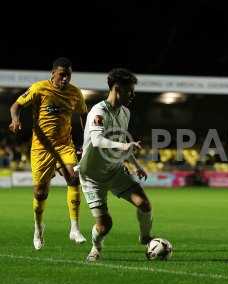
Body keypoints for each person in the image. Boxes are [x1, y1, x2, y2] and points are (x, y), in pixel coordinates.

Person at [9, 57, 87, 250]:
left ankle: (74, 228)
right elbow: (15, 106)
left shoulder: (75, 93)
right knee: (40, 193)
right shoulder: (39, 88)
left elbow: (84, 114)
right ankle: (38, 228)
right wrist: (16, 120)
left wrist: (87, 140)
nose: (65, 79)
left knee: (74, 178)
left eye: (68, 75)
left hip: (64, 144)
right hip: (41, 148)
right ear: (53, 73)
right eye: (62, 75)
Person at [77, 68, 154, 262]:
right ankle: (96, 247)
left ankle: (145, 237)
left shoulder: (125, 113)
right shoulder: (98, 111)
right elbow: (97, 140)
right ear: (117, 89)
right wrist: (125, 145)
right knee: (105, 225)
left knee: (144, 204)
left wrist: (135, 165)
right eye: (130, 91)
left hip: (114, 170)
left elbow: (120, 146)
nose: (133, 95)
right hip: (92, 176)